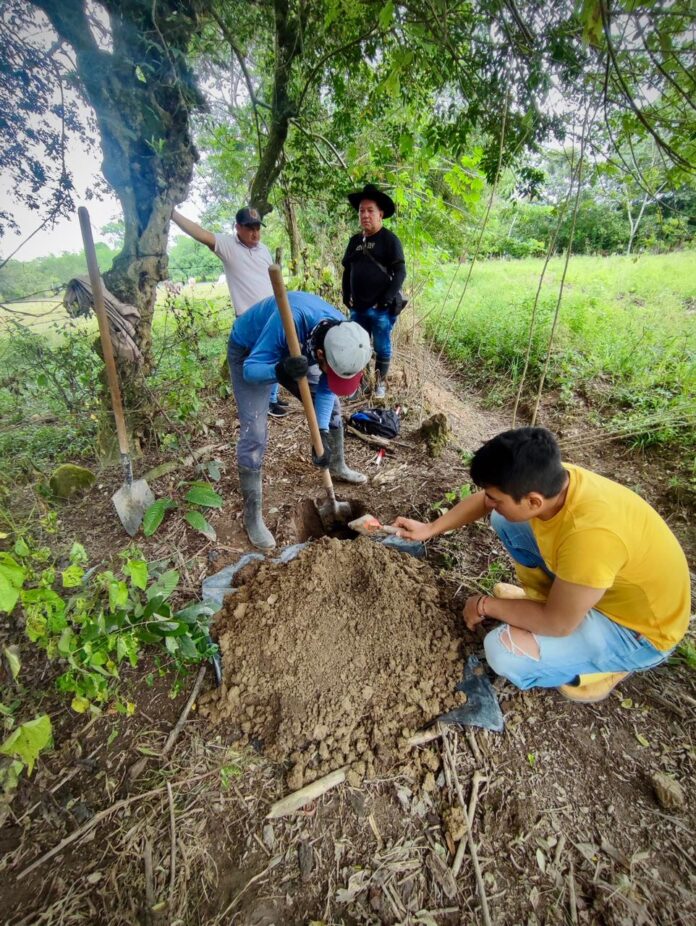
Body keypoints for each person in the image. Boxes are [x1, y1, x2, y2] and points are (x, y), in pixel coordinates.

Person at [394, 427, 690, 704]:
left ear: (534, 501)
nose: (488, 502)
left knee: (504, 653)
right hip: (599, 585)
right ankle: (549, 604)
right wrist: (430, 528)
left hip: (637, 631)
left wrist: (485, 605)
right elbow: (487, 502)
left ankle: (602, 667)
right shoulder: (556, 481)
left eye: (496, 498)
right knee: (504, 520)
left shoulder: (591, 537)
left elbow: (558, 624)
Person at [229, 290, 371, 550]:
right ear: (320, 355)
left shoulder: (344, 335)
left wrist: (321, 433)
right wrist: (279, 370)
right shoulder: (290, 321)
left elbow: (328, 388)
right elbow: (251, 370)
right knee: (255, 435)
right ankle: (253, 518)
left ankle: (336, 465)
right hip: (252, 351)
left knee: (334, 411)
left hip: (298, 356)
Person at [171, 205, 289, 418]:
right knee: (261, 359)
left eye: (257, 228)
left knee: (276, 353)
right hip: (249, 319)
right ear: (238, 228)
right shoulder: (228, 246)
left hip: (272, 313)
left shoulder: (263, 250)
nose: (255, 233)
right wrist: (173, 213)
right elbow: (201, 233)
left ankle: (272, 398)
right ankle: (262, 405)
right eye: (249, 228)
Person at [342, 184, 406, 399]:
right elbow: (347, 269)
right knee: (357, 347)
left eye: (370, 211)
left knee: (382, 347)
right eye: (361, 211)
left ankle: (380, 385)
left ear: (381, 214)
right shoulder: (354, 241)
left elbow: (400, 273)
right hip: (357, 308)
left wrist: (385, 301)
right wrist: (345, 294)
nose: (365, 215)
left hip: (380, 309)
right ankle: (357, 386)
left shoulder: (389, 240)